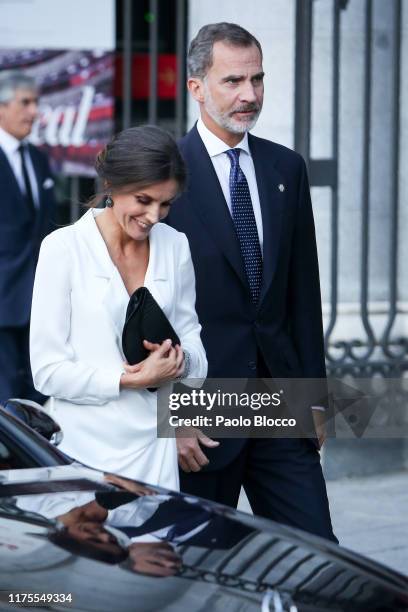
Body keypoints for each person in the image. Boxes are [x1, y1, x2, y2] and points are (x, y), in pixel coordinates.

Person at [167, 23, 337, 541]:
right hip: (202, 409)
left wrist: (315, 397)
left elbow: (302, 293)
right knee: (197, 567)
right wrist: (172, 414)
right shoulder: (165, 174)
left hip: (281, 402)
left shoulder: (286, 167)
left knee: (317, 559)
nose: (250, 95)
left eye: (258, 79)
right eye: (233, 81)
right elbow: (138, 308)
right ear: (196, 86)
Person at [29, 126, 208, 489]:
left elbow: (196, 353)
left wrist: (178, 361)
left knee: (156, 546)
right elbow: (47, 372)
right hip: (82, 450)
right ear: (110, 184)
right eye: (144, 200)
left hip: (155, 449)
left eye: (166, 203)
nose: (154, 215)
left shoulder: (175, 246)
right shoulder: (62, 248)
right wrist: (131, 379)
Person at [0, 70, 56, 404]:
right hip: (3, 301)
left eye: (35, 102)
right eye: (25, 102)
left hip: (39, 299)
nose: (33, 111)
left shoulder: (38, 158)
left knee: (38, 396)